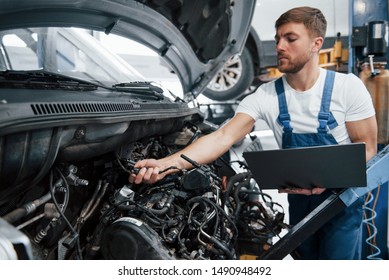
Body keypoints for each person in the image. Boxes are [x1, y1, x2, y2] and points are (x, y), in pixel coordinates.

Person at [129, 6, 378, 259]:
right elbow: (222, 137)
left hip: (342, 199)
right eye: (278, 37)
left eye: (290, 39)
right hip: (300, 202)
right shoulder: (266, 95)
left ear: (316, 44)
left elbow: (367, 148)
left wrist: (325, 182)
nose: (279, 45)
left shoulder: (347, 88)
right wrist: (165, 164)